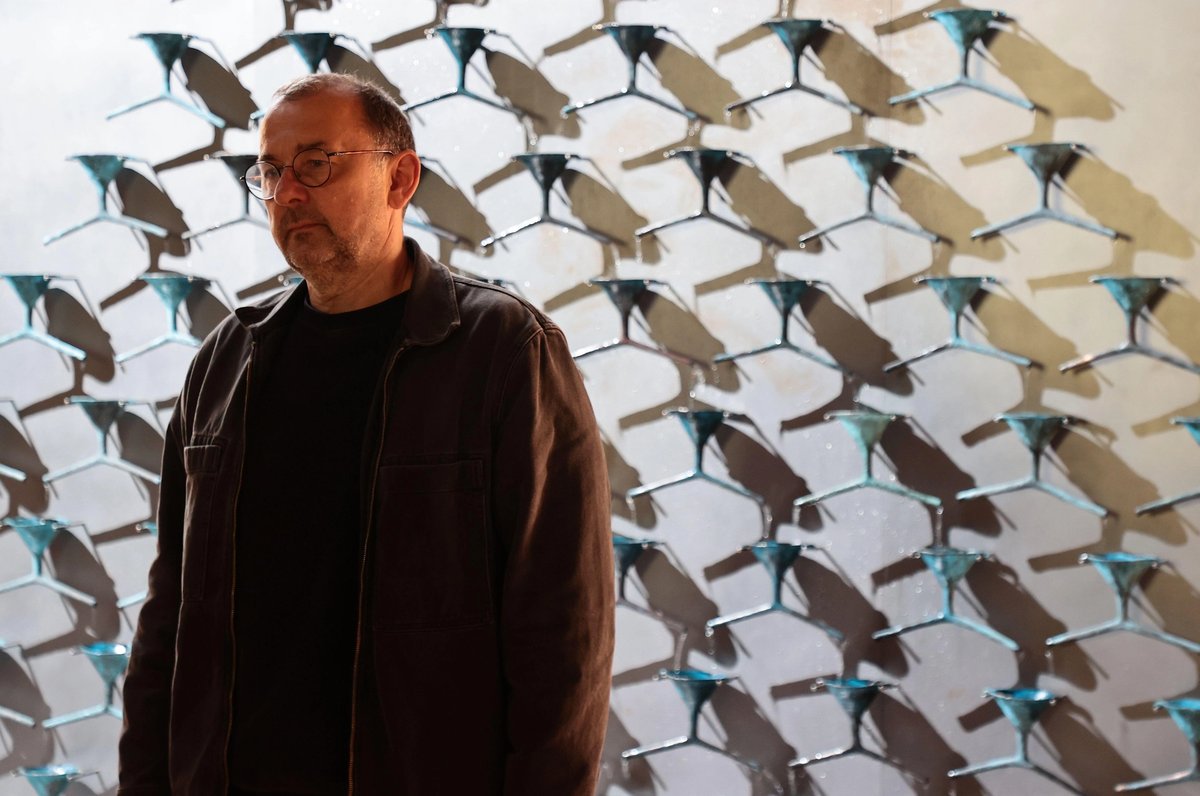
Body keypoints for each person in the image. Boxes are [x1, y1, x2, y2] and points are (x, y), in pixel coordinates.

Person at [117, 73, 615, 796]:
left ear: (400, 178)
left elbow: (564, 627)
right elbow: (171, 614)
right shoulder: (226, 362)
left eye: (316, 164)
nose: (288, 194)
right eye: (271, 173)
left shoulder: (504, 351)